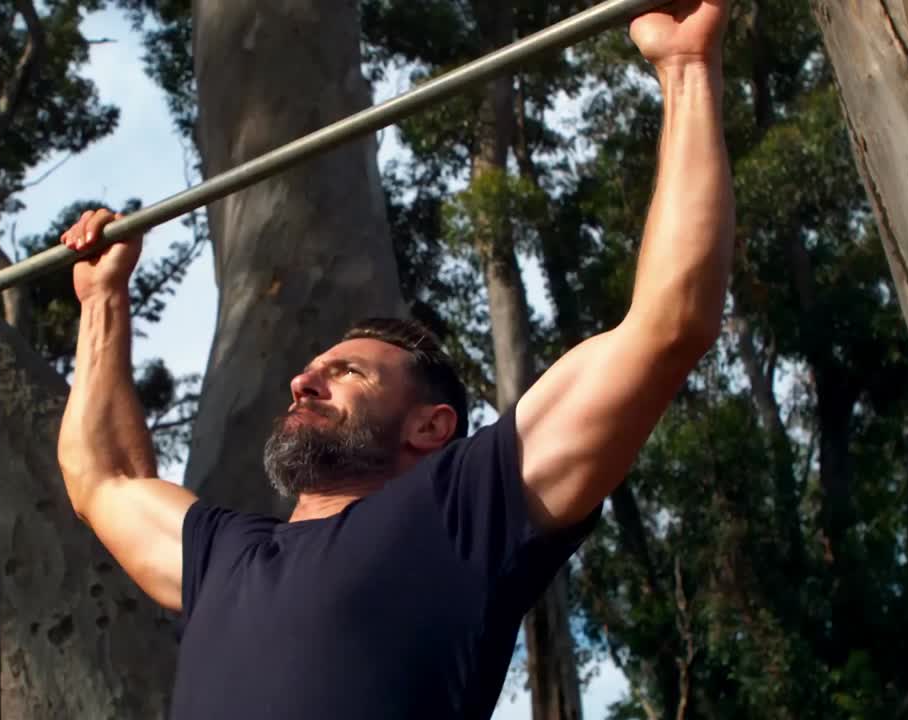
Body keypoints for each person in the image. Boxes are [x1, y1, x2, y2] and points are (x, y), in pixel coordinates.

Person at [55, 0, 733, 716]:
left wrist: (686, 69)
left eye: (347, 372)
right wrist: (103, 301)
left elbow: (668, 324)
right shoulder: (223, 556)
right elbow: (102, 478)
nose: (303, 379)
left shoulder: (460, 512)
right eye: (314, 369)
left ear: (430, 428)